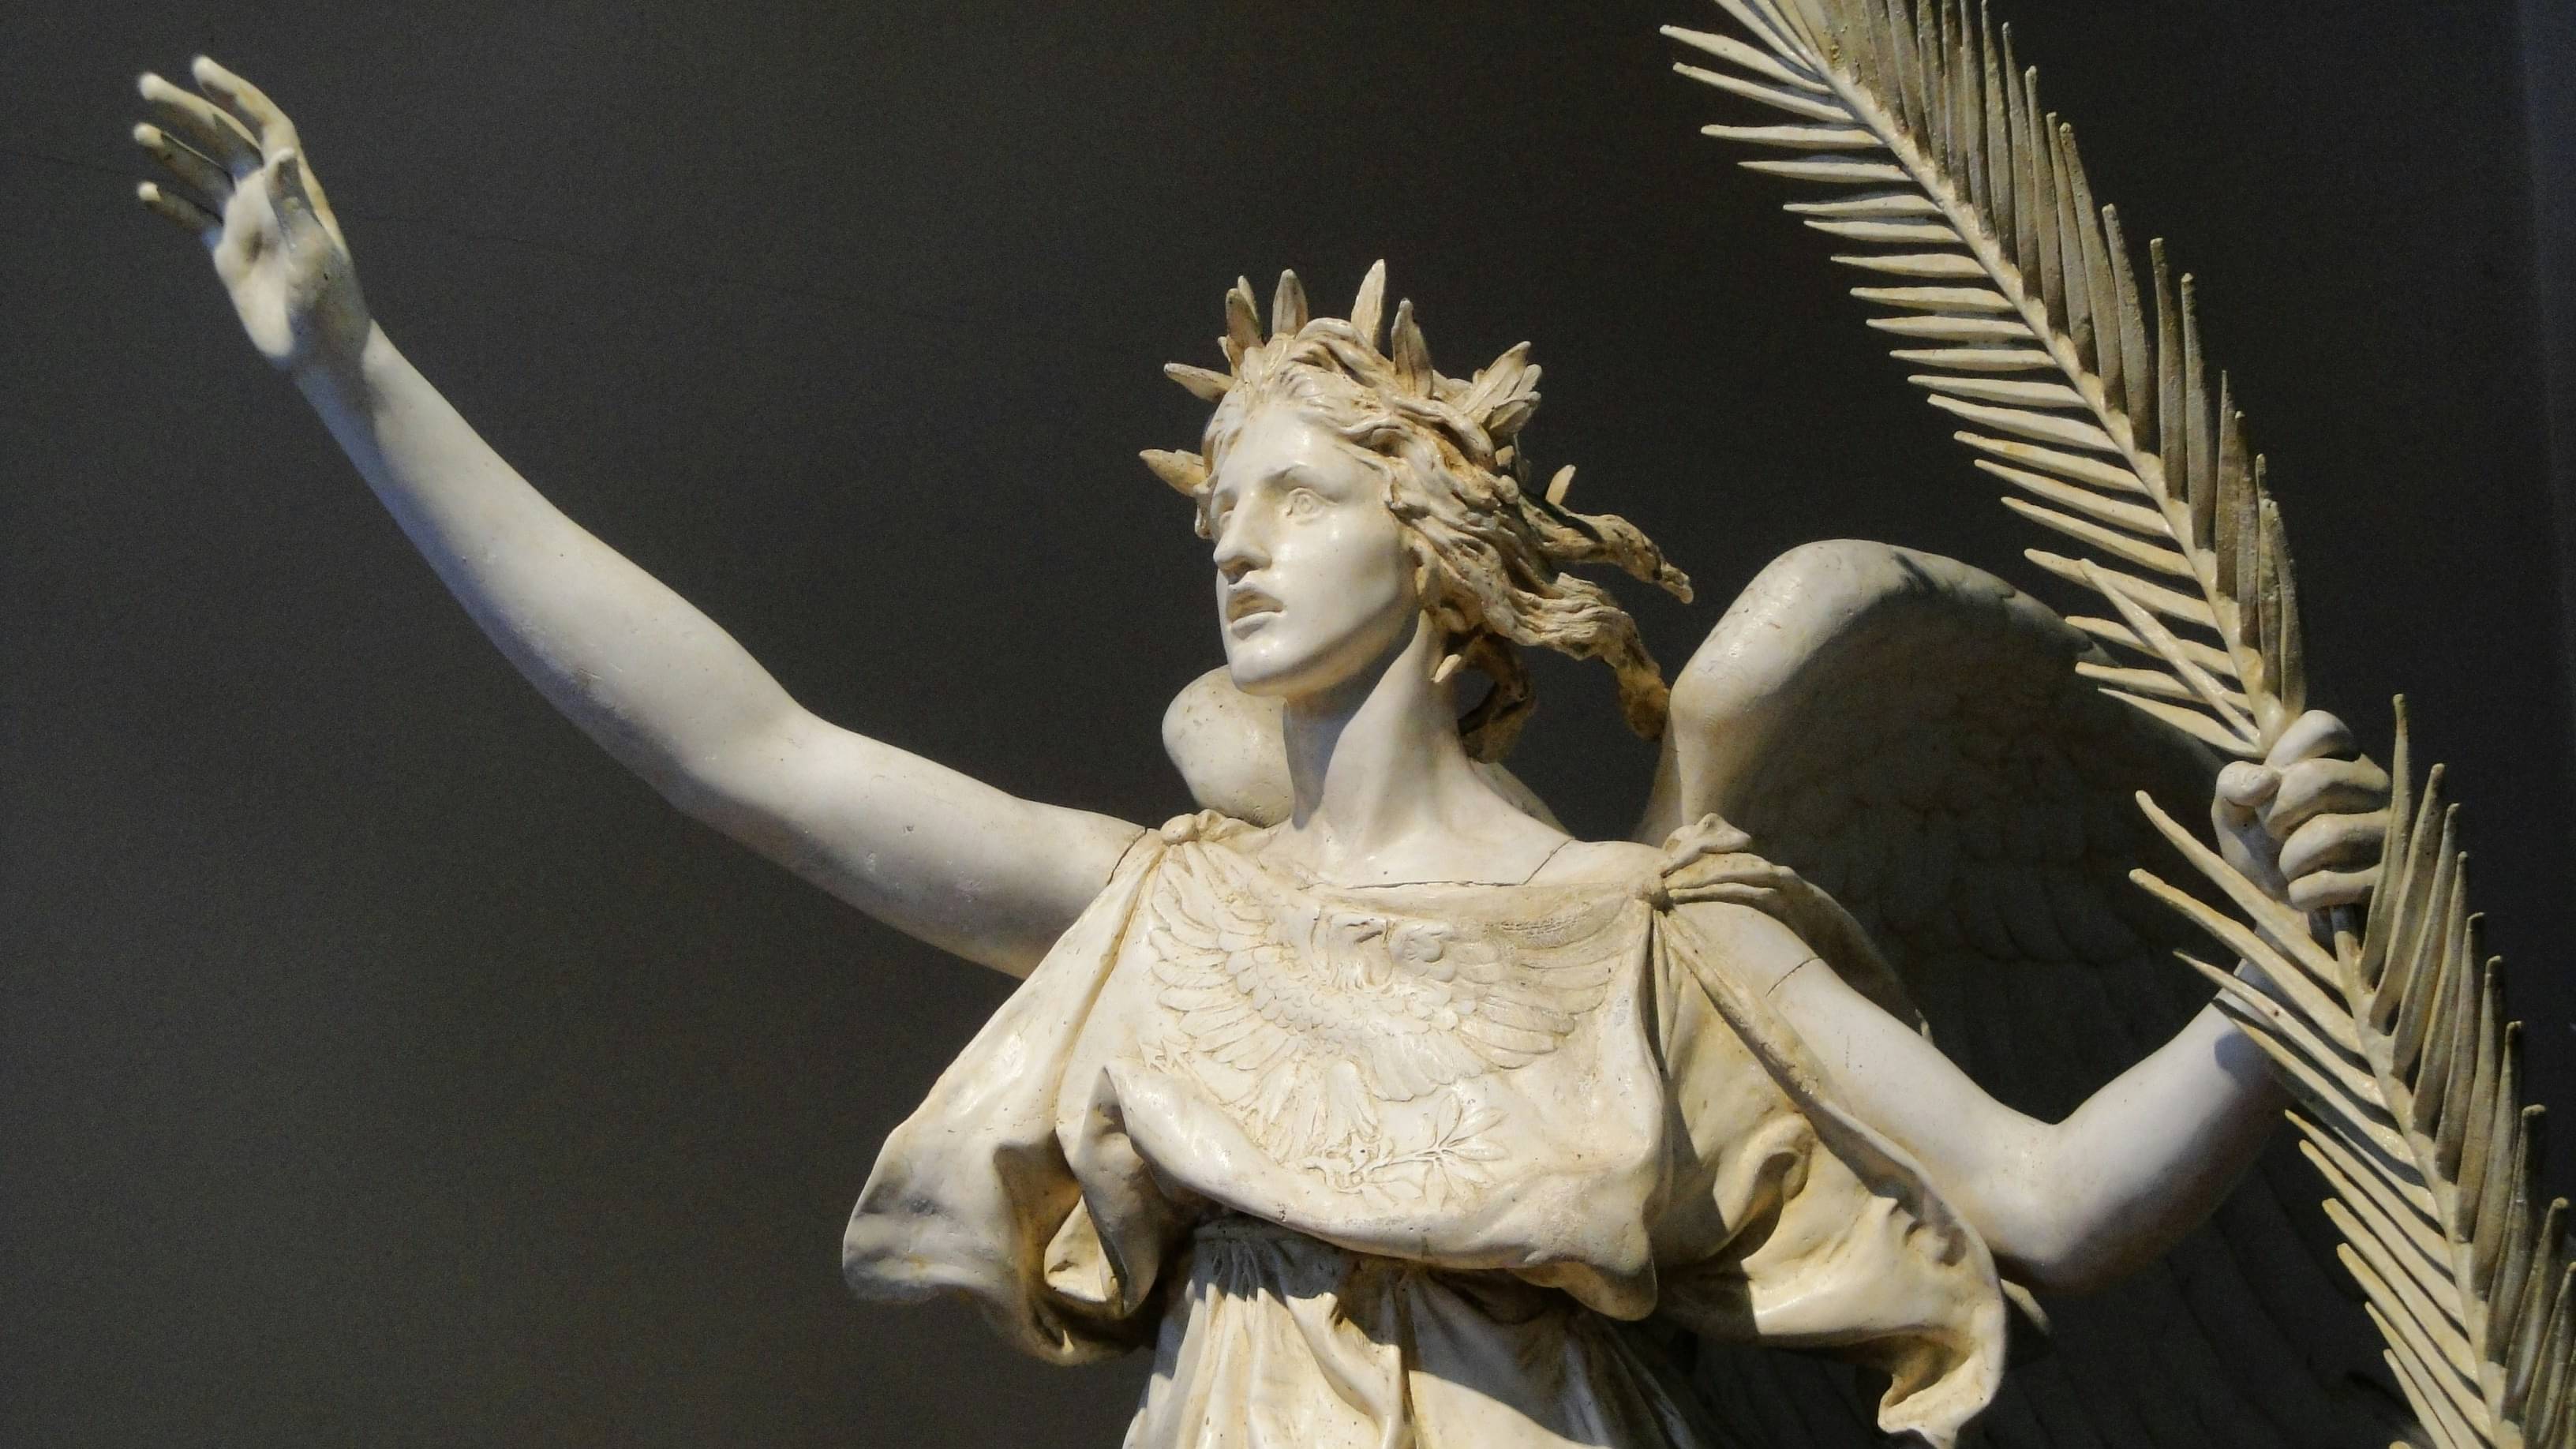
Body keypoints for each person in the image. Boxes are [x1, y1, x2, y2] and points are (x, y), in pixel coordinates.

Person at [129, 58, 2391, 1448]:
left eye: (1295, 495)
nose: (1235, 542)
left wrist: (2278, 985)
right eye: (1218, 506)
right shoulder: (1179, 907)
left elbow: (2050, 1200)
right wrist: (356, 374)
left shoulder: (1654, 937)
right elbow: (746, 748)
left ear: (1433, 537)